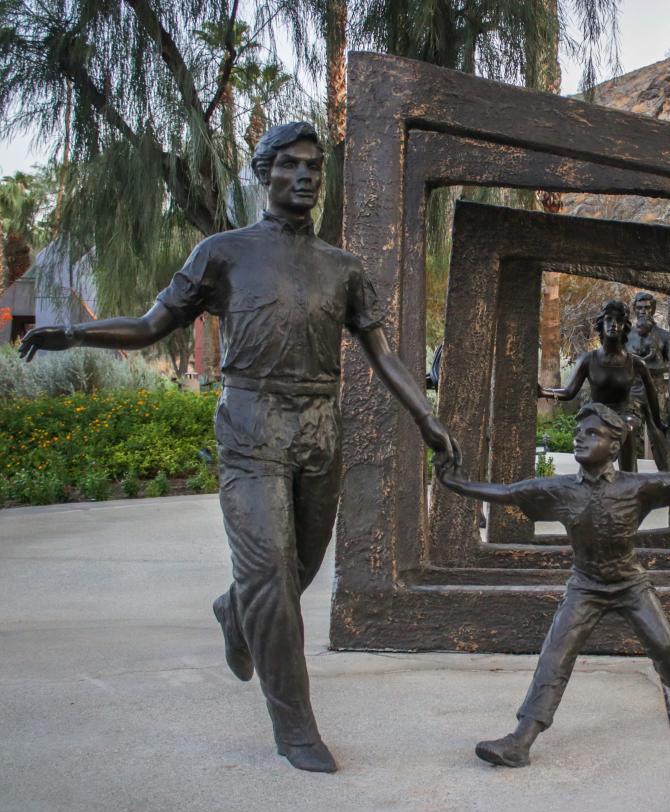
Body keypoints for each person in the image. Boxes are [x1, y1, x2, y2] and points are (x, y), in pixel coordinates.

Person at [19, 122, 454, 774]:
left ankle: (234, 611)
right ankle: (295, 728)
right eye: (291, 166)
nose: (306, 176)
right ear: (264, 173)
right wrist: (76, 334)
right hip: (250, 429)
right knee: (271, 578)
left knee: (295, 572)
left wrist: (426, 416)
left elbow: (383, 354)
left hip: (317, 432)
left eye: (315, 167)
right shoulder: (222, 253)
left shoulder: (343, 268)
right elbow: (150, 325)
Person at [436, 402, 670, 767]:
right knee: (555, 655)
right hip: (585, 587)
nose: (579, 438)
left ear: (615, 446)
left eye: (593, 433)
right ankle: (520, 741)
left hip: (630, 584)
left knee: (665, 646)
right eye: (579, 432)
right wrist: (456, 483)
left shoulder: (637, 488)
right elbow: (510, 493)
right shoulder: (559, 491)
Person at [539, 300, 667, 472]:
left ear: (624, 326)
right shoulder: (588, 360)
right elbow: (569, 392)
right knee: (592, 433)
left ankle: (629, 480)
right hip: (597, 412)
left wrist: (658, 423)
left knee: (627, 427)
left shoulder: (636, 363)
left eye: (619, 321)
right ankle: (591, 478)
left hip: (624, 413)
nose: (613, 324)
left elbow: (651, 393)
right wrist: (543, 392)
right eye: (608, 319)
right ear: (601, 324)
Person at [625, 291, 670, 470]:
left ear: (653, 309)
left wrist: (647, 364)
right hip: (631, 388)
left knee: (658, 432)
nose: (643, 311)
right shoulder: (625, 335)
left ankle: (668, 478)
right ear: (634, 309)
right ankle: (629, 478)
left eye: (647, 308)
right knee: (628, 431)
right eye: (639, 308)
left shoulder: (665, 336)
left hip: (656, 388)